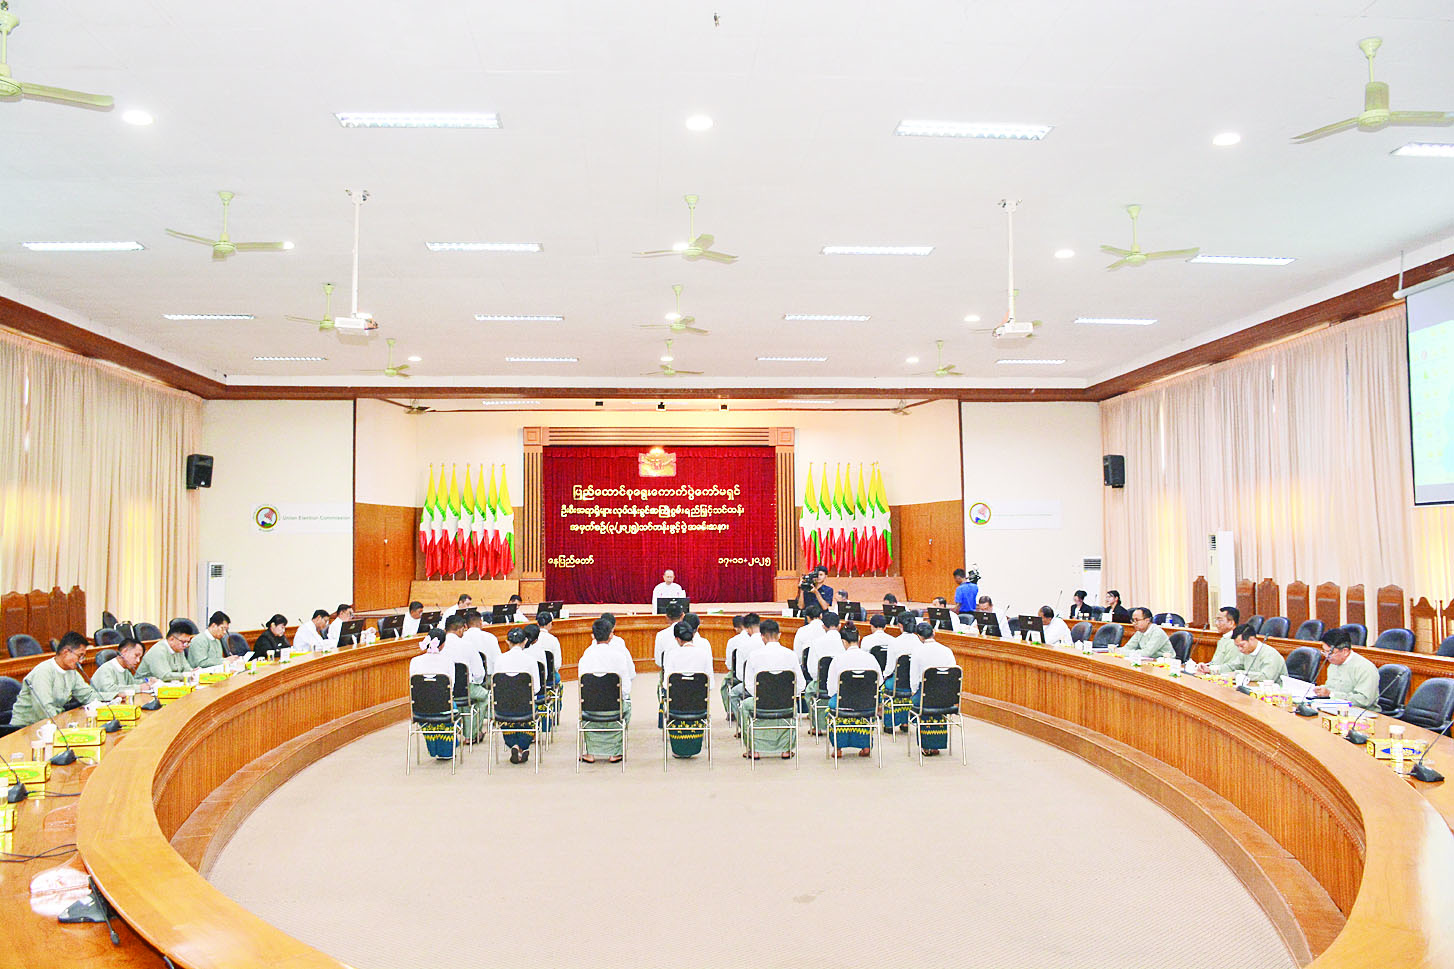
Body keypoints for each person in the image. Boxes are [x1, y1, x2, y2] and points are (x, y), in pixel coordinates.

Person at [739, 619, 802, 759]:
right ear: (779, 635)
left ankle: (753, 749)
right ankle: (786, 749)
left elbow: (748, 684)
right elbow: (801, 684)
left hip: (760, 702)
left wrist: (762, 697)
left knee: (744, 706)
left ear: (762, 636)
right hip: (786, 703)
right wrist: (788, 696)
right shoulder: (791, 655)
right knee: (794, 705)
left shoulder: (753, 656)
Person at [577, 617, 636, 763]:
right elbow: (626, 689)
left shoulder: (585, 657)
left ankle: (590, 752)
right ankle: (615, 752)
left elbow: (582, 686)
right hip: (615, 708)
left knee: (588, 709)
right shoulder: (619, 656)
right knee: (626, 705)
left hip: (590, 708)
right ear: (611, 635)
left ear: (592, 635)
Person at [9, 633, 99, 726]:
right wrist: (65, 724)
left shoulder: (72, 672)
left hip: (52, 722)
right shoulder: (43, 671)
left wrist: (108, 698)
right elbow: (44, 709)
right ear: (66, 652)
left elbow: (88, 695)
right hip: (27, 726)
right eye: (79, 656)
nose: (81, 661)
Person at [824, 626, 879, 758]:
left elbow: (831, 689)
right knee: (864, 706)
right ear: (859, 639)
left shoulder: (837, 660)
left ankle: (838, 748)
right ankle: (865, 746)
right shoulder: (871, 658)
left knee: (831, 708)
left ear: (843, 642)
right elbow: (879, 681)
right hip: (868, 703)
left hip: (843, 703)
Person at [662, 620, 714, 758]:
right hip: (699, 707)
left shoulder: (671, 654)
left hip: (676, 707)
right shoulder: (704, 654)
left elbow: (666, 684)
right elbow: (711, 684)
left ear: (677, 639)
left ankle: (678, 747)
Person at [409, 629, 460, 760]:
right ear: (442, 645)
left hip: (420, 709)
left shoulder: (414, 661)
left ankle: (435, 747)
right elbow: (451, 687)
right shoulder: (448, 661)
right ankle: (446, 749)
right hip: (444, 708)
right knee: (451, 706)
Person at [907, 621, 956, 756]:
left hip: (925, 697)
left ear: (919, 637)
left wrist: (914, 693)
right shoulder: (947, 651)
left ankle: (927, 745)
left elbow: (914, 678)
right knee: (934, 701)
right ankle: (936, 744)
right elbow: (953, 675)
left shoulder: (917, 652)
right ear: (934, 632)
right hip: (946, 698)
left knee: (917, 702)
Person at [494, 626, 542, 764]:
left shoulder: (499, 659)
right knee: (529, 711)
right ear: (525, 641)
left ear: (507, 642)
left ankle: (514, 745)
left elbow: (496, 686)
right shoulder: (531, 660)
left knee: (508, 711)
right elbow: (536, 688)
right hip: (525, 708)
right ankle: (522, 746)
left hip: (503, 709)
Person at [439, 614, 489, 739]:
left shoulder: (438, 647)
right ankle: (473, 734)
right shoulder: (468, 646)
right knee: (484, 696)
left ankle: (464, 730)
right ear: (461, 629)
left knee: (464, 696)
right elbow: (479, 673)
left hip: (443, 690)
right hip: (466, 688)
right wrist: (477, 682)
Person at [1311, 633, 1379, 708]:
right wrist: (1320, 690)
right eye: (1324, 651)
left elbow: (1364, 700)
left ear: (1345, 651)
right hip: (1335, 707)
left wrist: (1331, 694)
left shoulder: (1365, 668)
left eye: (1330, 652)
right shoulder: (1334, 663)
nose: (1327, 656)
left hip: (1360, 711)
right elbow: (1331, 687)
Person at [806, 611, 844, 734]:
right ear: (839, 626)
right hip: (844, 685)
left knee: (809, 691)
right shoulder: (845, 642)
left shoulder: (816, 642)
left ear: (823, 627)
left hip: (821, 684)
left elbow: (812, 670)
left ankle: (817, 726)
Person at [726, 613, 763, 727]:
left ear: (747, 628)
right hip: (773, 685)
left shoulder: (743, 647)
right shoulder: (767, 643)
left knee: (733, 694)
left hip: (751, 686)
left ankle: (743, 726)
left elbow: (739, 675)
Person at [1223, 624, 1288, 684]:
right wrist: (1217, 670)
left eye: (1242, 645)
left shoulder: (1270, 654)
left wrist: (1238, 674)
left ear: (1251, 639)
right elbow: (1232, 666)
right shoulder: (1245, 652)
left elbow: (1266, 677)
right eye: (1237, 646)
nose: (1239, 649)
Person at [91, 637, 145, 701]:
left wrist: (148, 682)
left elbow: (132, 683)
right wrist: (139, 688)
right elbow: (110, 690)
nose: (138, 660)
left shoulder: (125, 669)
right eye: (136, 655)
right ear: (124, 652)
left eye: (140, 657)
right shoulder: (106, 669)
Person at [1196, 607, 1241, 673]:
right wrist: (1205, 666)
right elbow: (1215, 662)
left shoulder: (1236, 641)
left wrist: (1210, 669)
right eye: (1216, 620)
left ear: (1231, 623)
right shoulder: (1223, 639)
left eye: (1220, 620)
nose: (1216, 623)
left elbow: (1231, 667)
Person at [463, 610, 502, 681]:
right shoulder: (491, 637)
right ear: (481, 622)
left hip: (467, 679)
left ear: (465, 625)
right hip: (489, 679)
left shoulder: (462, 638)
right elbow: (498, 660)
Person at [534, 610, 563, 688]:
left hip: (533, 676)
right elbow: (557, 665)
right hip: (550, 677)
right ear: (550, 624)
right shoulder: (553, 640)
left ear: (537, 624)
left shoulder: (531, 639)